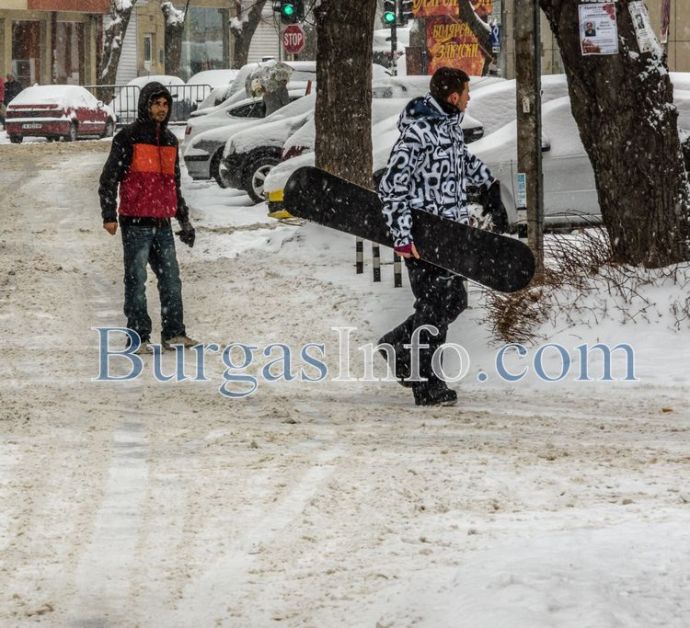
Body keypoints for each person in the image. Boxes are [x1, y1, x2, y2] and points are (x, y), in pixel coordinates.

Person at [378, 67, 502, 407]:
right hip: (423, 235)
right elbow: (391, 188)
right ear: (453, 96)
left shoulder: (449, 129)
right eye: (467, 92)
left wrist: (488, 184)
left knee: (453, 301)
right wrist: (403, 236)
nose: (469, 98)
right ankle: (427, 385)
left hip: (449, 234)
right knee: (433, 309)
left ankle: (397, 344)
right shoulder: (418, 134)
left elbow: (461, 159)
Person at [99, 82, 197, 353]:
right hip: (135, 222)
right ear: (146, 105)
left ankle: (174, 333)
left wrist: (184, 221)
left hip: (162, 224)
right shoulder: (128, 138)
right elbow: (108, 179)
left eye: (165, 104)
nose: (161, 109)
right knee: (136, 282)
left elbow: (174, 186)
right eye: (156, 104)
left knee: (171, 280)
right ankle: (138, 337)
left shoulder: (170, 141)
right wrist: (108, 215)